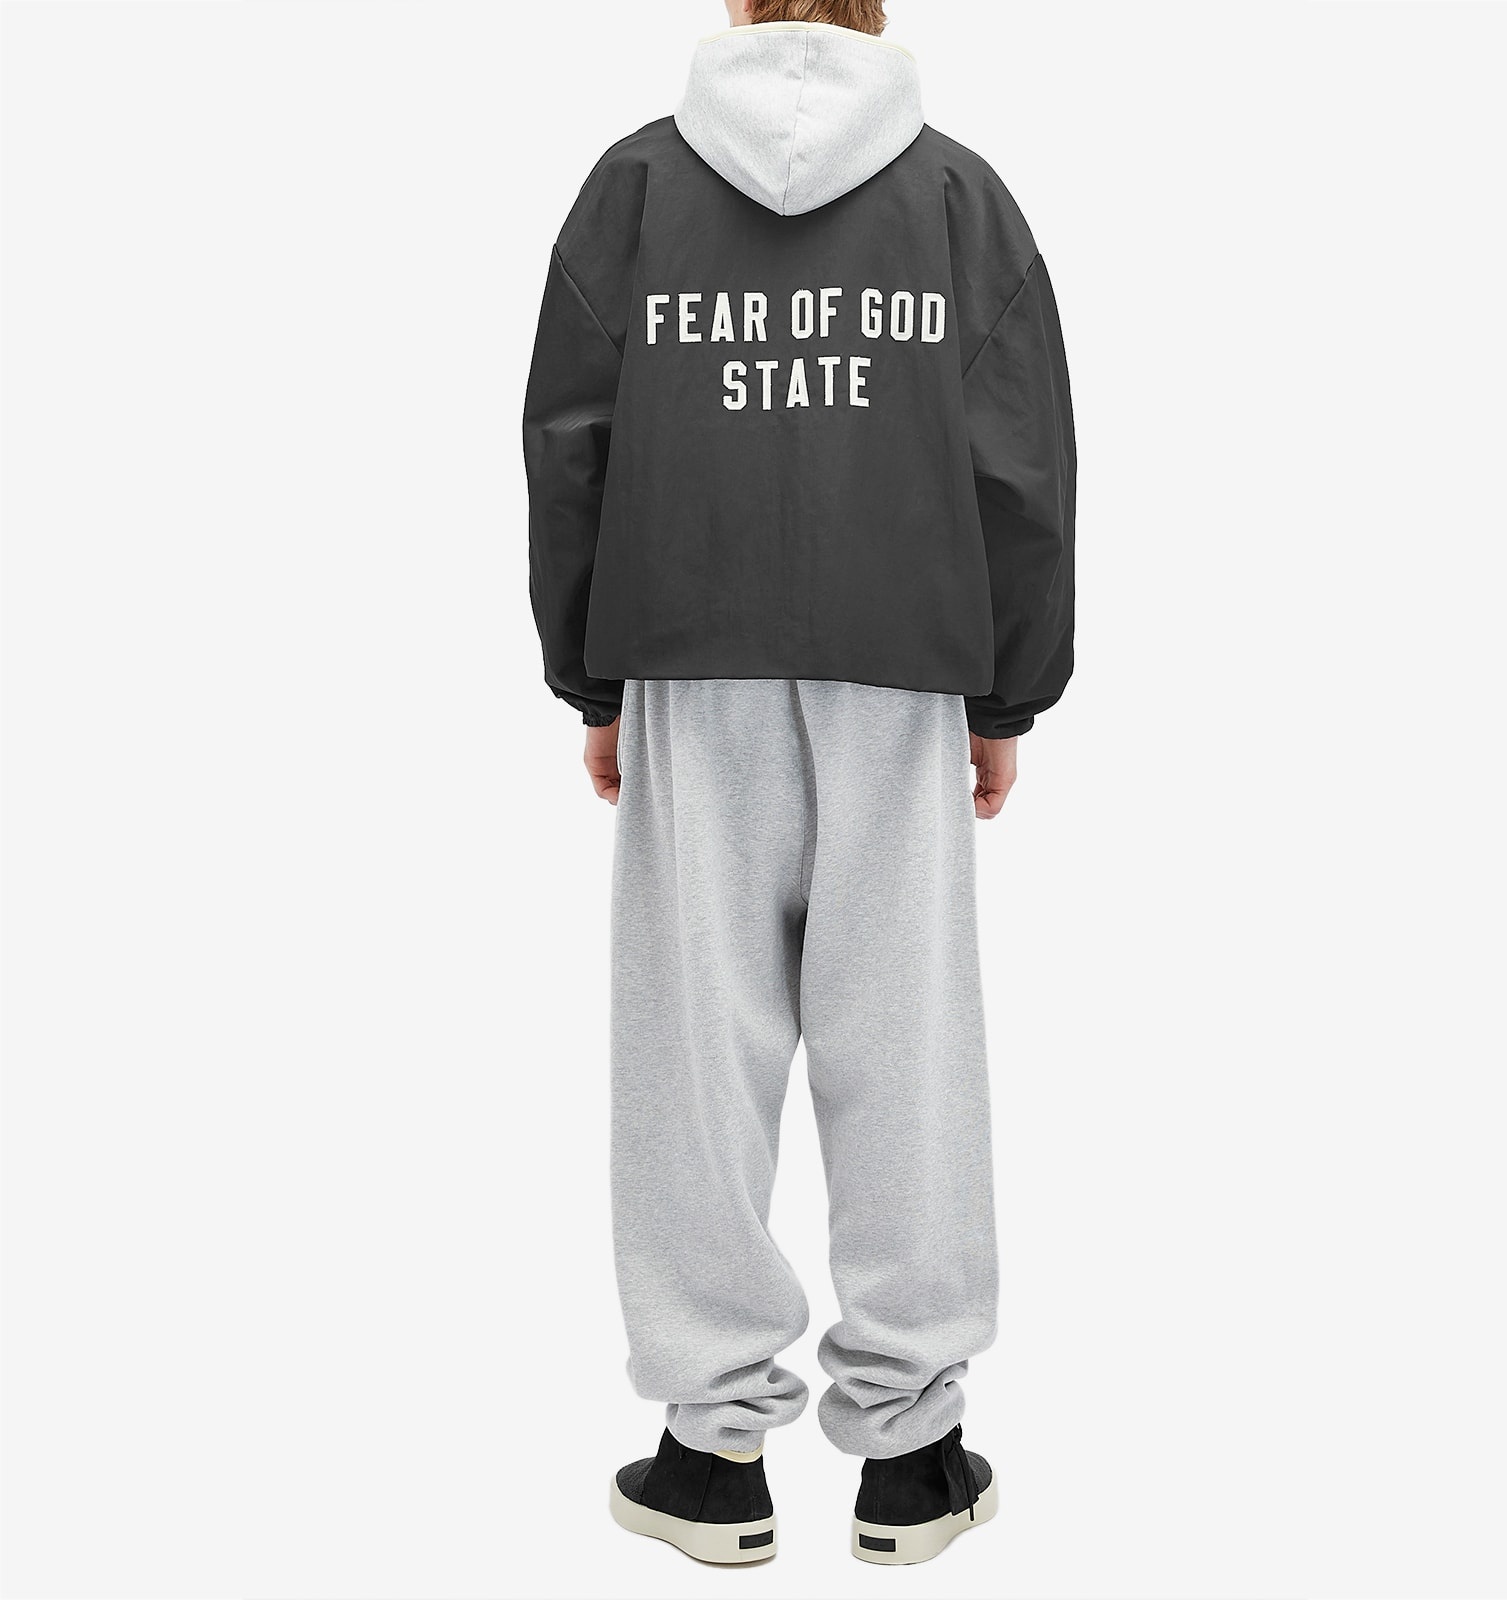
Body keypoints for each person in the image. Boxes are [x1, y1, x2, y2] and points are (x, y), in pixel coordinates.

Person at [523, 0, 1075, 1567]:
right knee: (905, 1045)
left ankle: (710, 1459)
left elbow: (570, 442)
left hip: (686, 651)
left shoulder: (637, 187)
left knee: (694, 1055)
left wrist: (592, 673)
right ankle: (913, 1454)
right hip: (902, 661)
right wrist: (1007, 690)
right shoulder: (957, 196)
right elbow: (1022, 463)